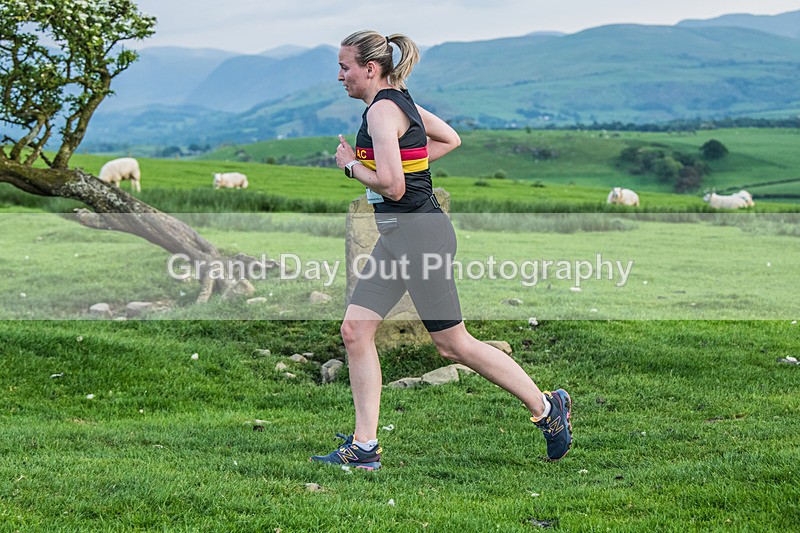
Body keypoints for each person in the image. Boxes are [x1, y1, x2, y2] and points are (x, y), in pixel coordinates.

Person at [310, 30, 572, 470]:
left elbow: (392, 187)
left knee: (453, 345)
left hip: (419, 236)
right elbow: (450, 139)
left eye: (345, 67)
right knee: (355, 331)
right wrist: (406, 164)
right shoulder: (400, 102)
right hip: (399, 237)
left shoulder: (381, 112)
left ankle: (547, 409)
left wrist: (352, 167)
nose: (340, 76)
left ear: (370, 69)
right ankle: (364, 446)